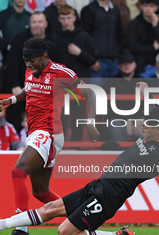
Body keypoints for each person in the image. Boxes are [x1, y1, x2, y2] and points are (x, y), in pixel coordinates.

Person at [0, 107, 159, 235]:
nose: (141, 127)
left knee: (64, 232)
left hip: (110, 196)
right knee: (50, 207)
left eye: (146, 125)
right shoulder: (152, 135)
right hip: (99, 184)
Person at [0, 38, 99, 235]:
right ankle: (84, 219)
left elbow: (90, 92)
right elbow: (30, 89)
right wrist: (12, 100)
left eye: (32, 60)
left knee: (18, 172)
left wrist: (91, 121)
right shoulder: (32, 70)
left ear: (44, 57)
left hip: (48, 133)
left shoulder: (62, 73)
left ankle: (21, 228)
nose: (28, 64)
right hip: (35, 133)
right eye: (25, 61)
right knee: (41, 192)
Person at [50, 4, 97, 141]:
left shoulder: (84, 36)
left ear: (74, 18)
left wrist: (79, 53)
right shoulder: (54, 37)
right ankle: (61, 147)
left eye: (68, 18)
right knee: (61, 118)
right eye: (63, 18)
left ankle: (76, 145)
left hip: (79, 82)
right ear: (58, 19)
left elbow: (94, 61)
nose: (66, 21)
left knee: (78, 116)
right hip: (60, 84)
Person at [103, 52, 143, 141]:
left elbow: (149, 104)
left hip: (139, 119)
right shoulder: (111, 82)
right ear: (118, 66)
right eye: (123, 63)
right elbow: (107, 106)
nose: (126, 65)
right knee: (115, 129)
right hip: (117, 118)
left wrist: (138, 120)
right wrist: (126, 119)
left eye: (130, 62)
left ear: (135, 65)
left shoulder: (143, 81)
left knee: (149, 129)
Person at [81, 0, 124, 83]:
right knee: (97, 94)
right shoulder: (89, 9)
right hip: (97, 61)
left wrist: (119, 56)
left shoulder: (115, 9)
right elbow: (85, 37)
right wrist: (91, 60)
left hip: (114, 60)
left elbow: (119, 34)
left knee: (114, 94)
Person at [127, 0, 159, 77]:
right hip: (141, 66)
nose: (148, 9)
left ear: (156, 8)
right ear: (141, 7)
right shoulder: (134, 24)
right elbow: (132, 46)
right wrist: (152, 48)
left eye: (151, 6)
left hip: (157, 66)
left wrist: (155, 27)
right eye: (146, 6)